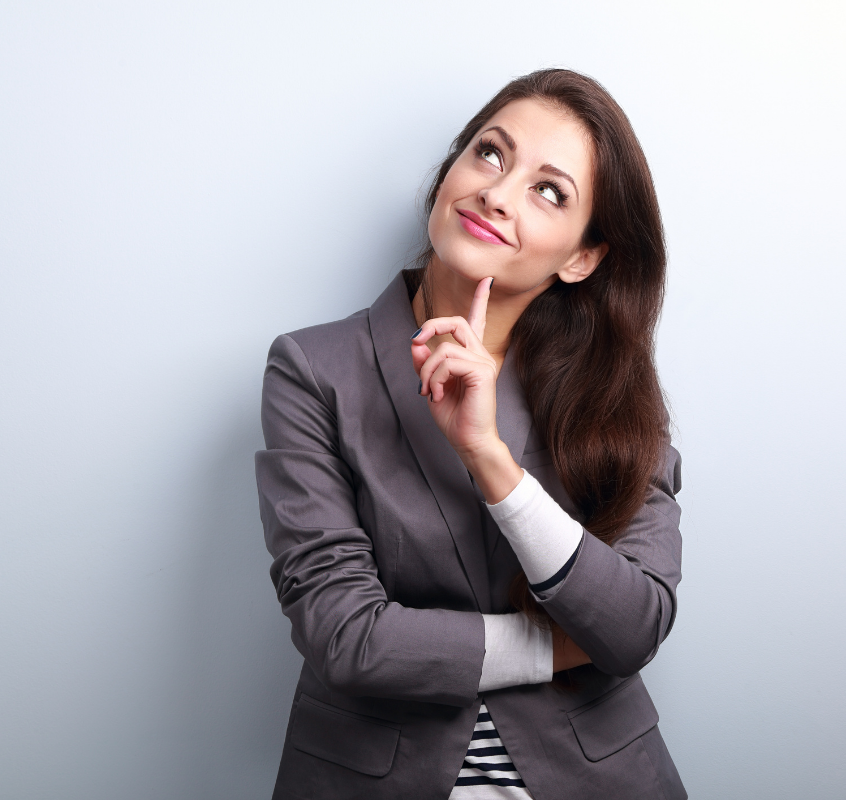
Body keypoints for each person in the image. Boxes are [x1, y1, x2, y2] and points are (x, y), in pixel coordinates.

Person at [255, 68, 685, 799]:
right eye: (489, 153)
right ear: (449, 172)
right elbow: (347, 638)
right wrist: (557, 648)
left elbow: (635, 623)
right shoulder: (313, 369)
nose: (497, 192)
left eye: (549, 191)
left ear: (582, 257)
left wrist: (491, 460)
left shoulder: (615, 395)